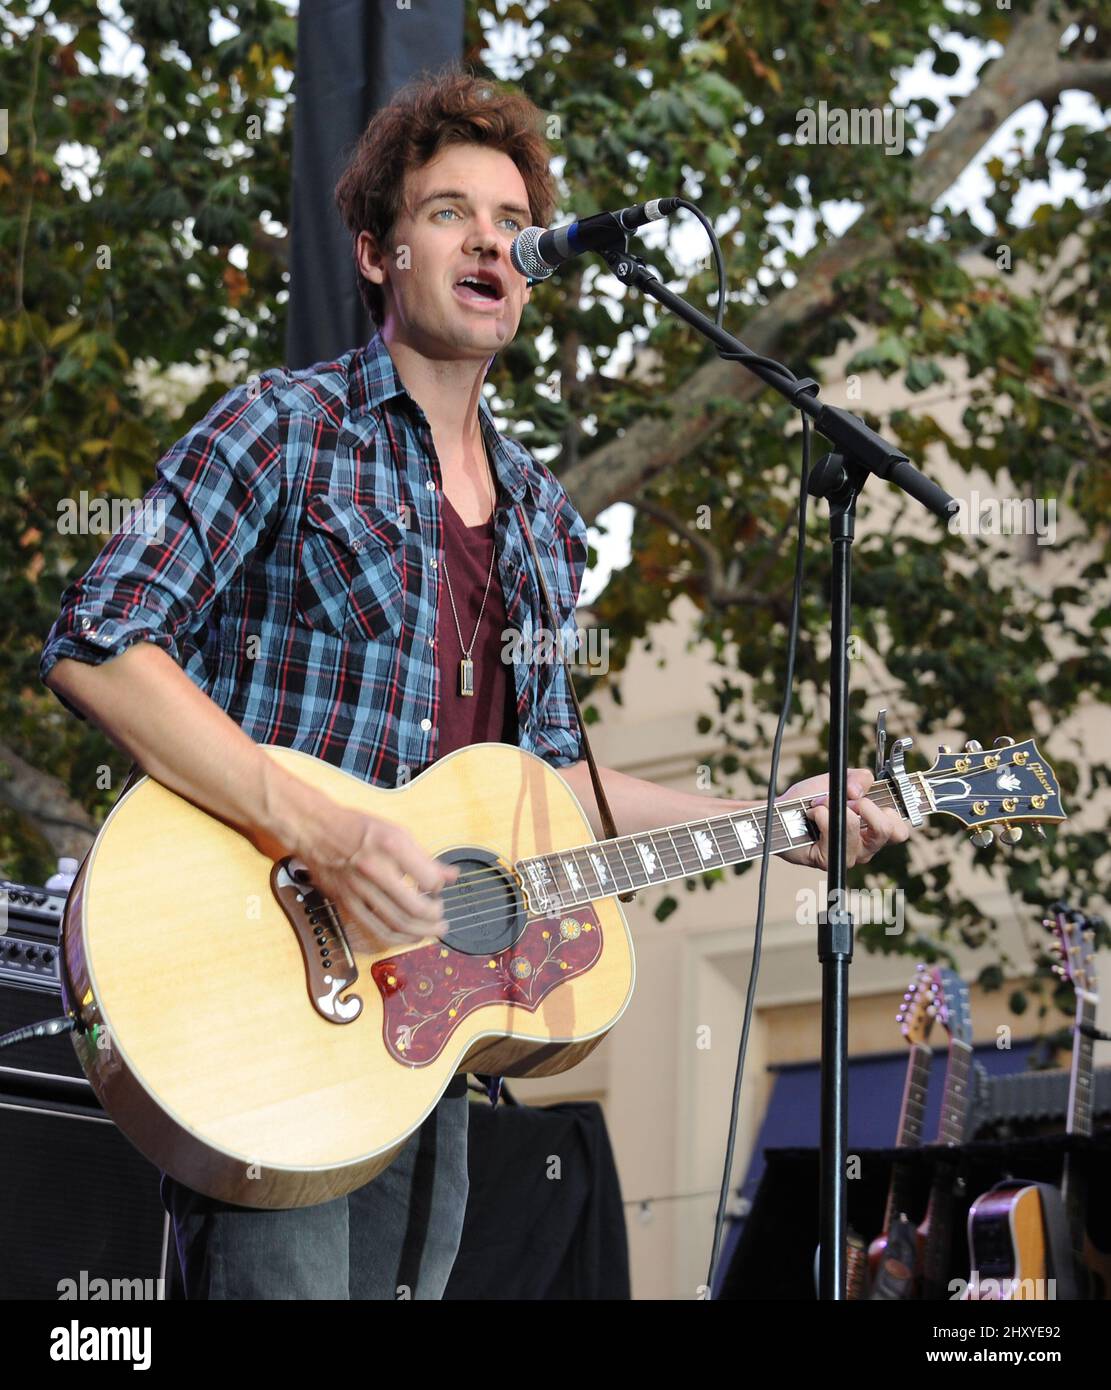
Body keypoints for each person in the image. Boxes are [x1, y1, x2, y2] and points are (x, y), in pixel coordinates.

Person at [39, 68, 910, 1300]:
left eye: (511, 219)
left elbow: (553, 789)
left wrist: (778, 818)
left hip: (428, 1029)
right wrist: (325, 833)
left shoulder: (545, 524)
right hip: (266, 988)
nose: (492, 238)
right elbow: (97, 638)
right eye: (451, 211)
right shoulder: (288, 429)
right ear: (379, 253)